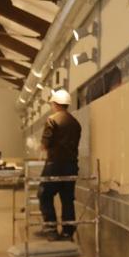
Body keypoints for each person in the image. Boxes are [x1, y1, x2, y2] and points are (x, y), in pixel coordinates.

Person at [39, 89, 81, 241]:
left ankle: (51, 229)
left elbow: (45, 144)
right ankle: (68, 232)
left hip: (54, 165)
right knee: (67, 198)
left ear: (56, 104)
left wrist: (42, 147)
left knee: (44, 194)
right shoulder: (76, 123)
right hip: (71, 166)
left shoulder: (52, 119)